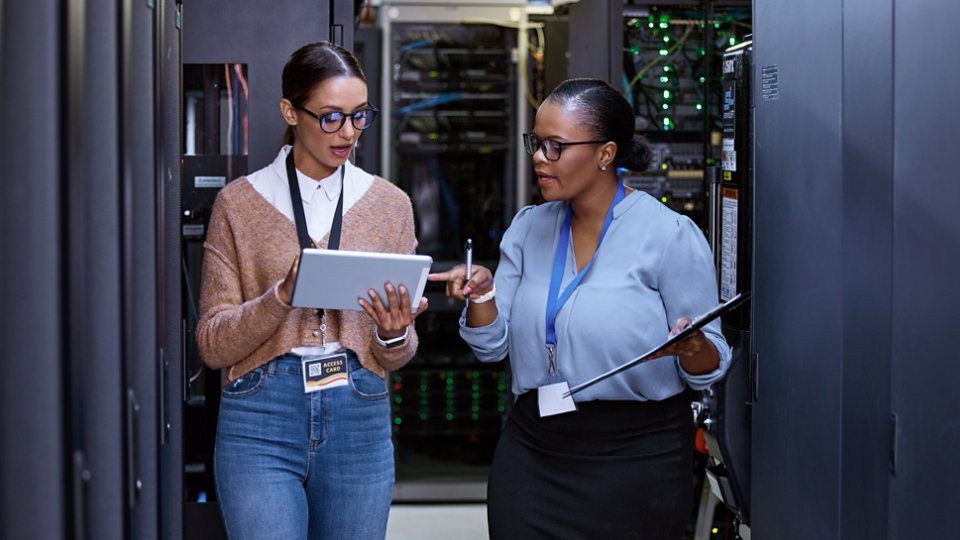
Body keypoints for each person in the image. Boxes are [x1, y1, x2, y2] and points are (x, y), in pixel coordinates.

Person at [429, 78, 732, 539]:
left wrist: (692, 347)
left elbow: (709, 363)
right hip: (535, 448)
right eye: (537, 143)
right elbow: (491, 348)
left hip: (637, 457)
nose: (538, 158)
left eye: (555, 146)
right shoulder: (528, 229)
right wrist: (483, 297)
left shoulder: (669, 234)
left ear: (606, 154)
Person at [196, 41, 426, 540]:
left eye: (359, 115)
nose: (348, 132)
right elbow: (213, 346)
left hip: (359, 412)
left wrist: (393, 335)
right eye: (330, 117)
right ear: (290, 111)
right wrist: (281, 296)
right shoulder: (238, 204)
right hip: (260, 414)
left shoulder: (391, 205)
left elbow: (398, 354)